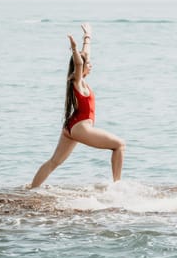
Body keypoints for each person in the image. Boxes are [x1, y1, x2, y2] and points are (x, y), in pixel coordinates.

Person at [30, 23, 125, 188]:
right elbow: (80, 63)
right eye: (89, 64)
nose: (91, 65)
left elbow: (85, 56)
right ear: (81, 67)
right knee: (119, 145)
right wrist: (74, 49)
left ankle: (31, 188)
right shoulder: (77, 81)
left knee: (54, 162)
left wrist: (87, 36)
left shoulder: (79, 81)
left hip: (71, 127)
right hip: (81, 127)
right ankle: (117, 187)